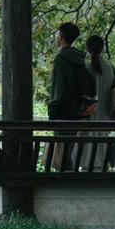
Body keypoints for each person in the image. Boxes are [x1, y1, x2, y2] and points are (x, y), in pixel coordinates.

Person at [45, 21, 91, 171]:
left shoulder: (61, 58)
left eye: (58, 34)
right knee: (68, 147)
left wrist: (53, 106)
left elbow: (58, 87)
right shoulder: (80, 58)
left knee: (60, 148)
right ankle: (69, 174)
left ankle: (65, 177)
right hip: (76, 109)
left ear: (62, 36)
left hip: (62, 109)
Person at [79, 34, 115, 170]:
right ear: (102, 49)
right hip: (105, 118)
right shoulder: (110, 68)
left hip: (89, 118)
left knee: (88, 154)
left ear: (87, 48)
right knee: (101, 153)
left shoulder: (87, 68)